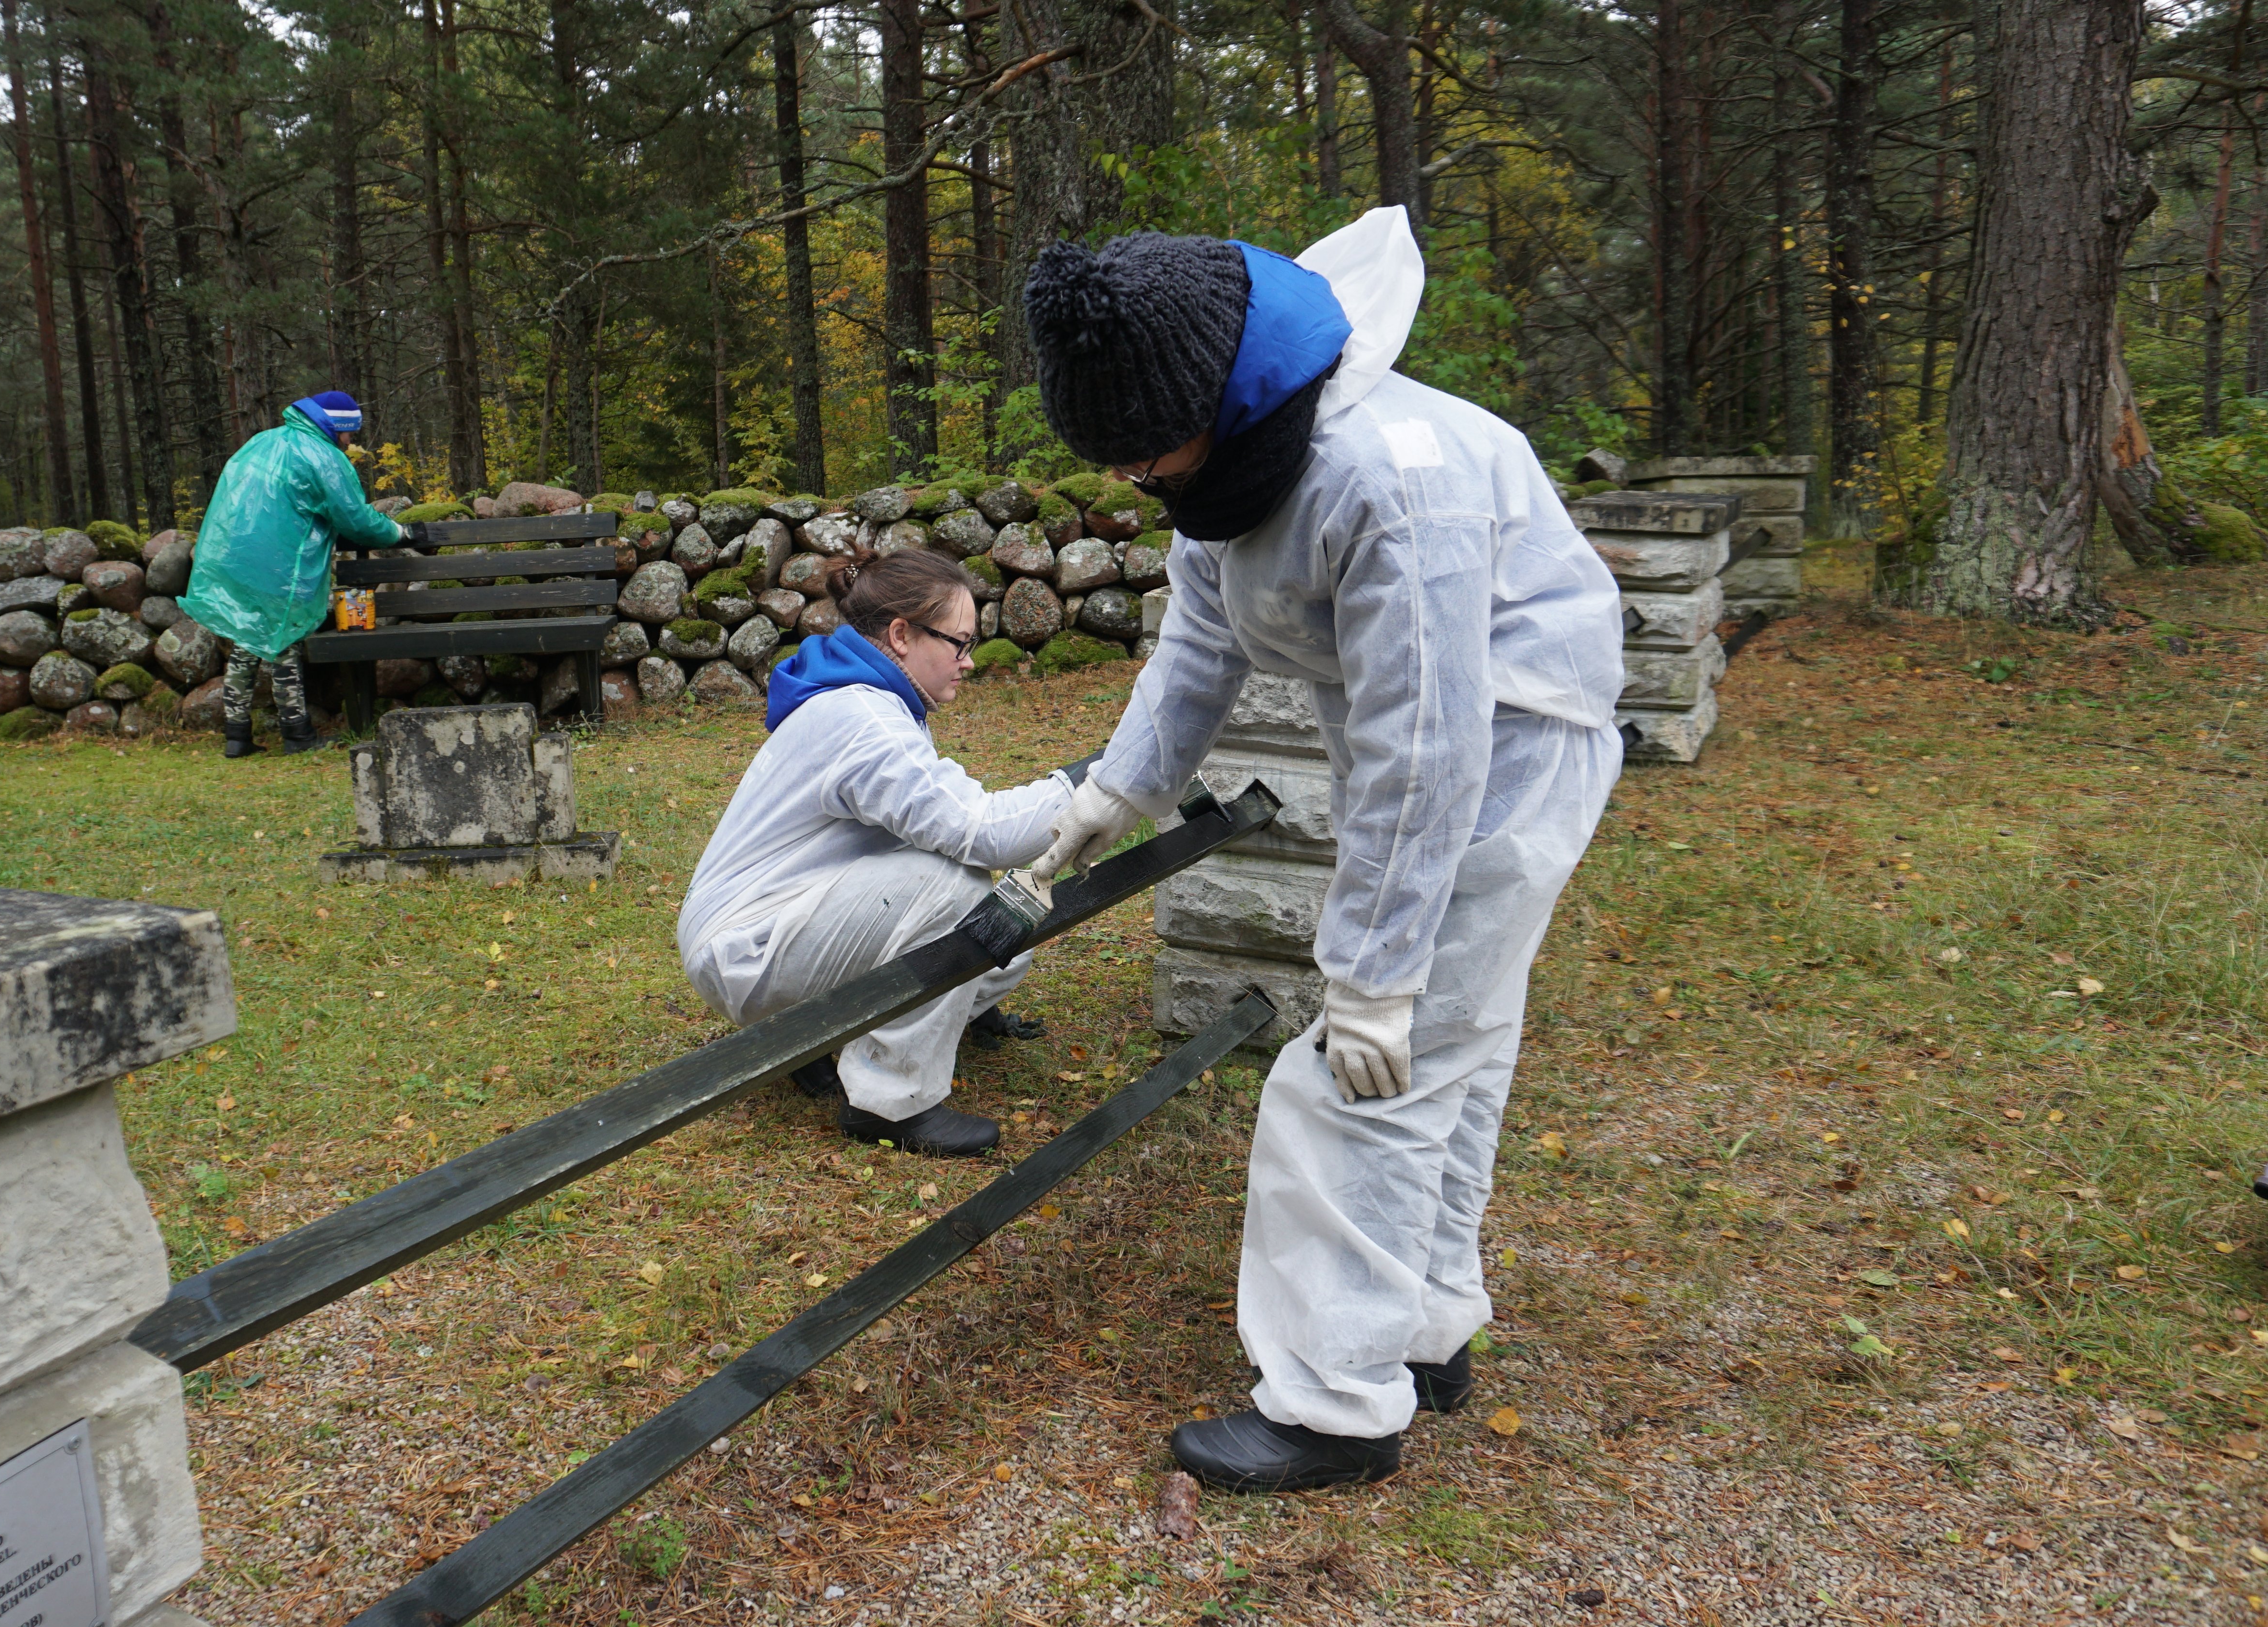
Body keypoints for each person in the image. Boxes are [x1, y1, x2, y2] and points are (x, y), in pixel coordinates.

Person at [1021, 209, 1626, 1491]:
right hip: (1430, 747)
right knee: (1454, 1056)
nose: (1133, 478)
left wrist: (1373, 973)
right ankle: (1420, 1332)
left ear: (1220, 399)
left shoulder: (1392, 483)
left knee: (1359, 1077)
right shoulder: (1226, 461)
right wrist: (1114, 793)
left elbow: (1433, 755)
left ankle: (1336, 1407)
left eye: (1143, 452)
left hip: (1510, 755)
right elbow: (1200, 642)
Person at [677, 549, 1069, 1158]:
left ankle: (817, 1039)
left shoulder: (874, 699)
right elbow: (983, 831)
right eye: (959, 643)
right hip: (747, 947)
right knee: (957, 886)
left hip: (780, 923)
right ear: (901, 635)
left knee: (1005, 924)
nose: (969, 663)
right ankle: (887, 1103)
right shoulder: (862, 718)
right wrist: (1094, 786)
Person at [179, 389, 418, 758]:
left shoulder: (264, 442)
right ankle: (297, 733)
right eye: (350, 433)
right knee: (283, 640)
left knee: (247, 638)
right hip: (281, 563)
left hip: (236, 555)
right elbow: (356, 519)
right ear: (336, 427)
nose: (351, 442)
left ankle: (237, 734)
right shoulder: (323, 458)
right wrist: (400, 533)